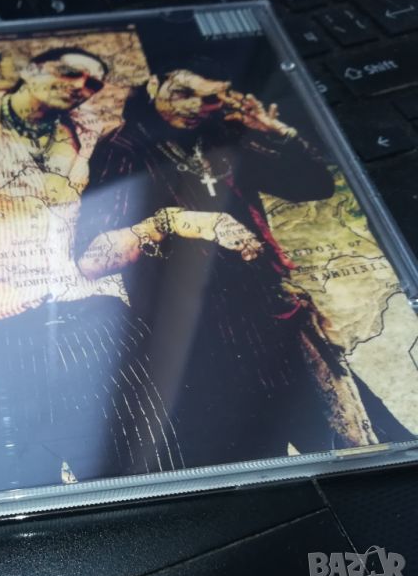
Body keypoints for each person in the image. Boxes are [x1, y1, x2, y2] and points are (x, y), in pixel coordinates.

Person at [0, 47, 187, 491]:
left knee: (138, 453)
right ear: (30, 70)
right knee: (19, 472)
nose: (80, 87)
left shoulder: (87, 130)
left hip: (84, 307)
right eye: (68, 73)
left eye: (91, 83)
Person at [75, 61, 389, 467]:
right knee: (247, 459)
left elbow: (313, 185)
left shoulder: (219, 134)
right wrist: (174, 222)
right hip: (197, 332)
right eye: (184, 92)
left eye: (210, 98)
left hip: (274, 312)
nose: (195, 106)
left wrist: (278, 135)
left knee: (354, 441)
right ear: (154, 84)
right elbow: (92, 259)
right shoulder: (124, 149)